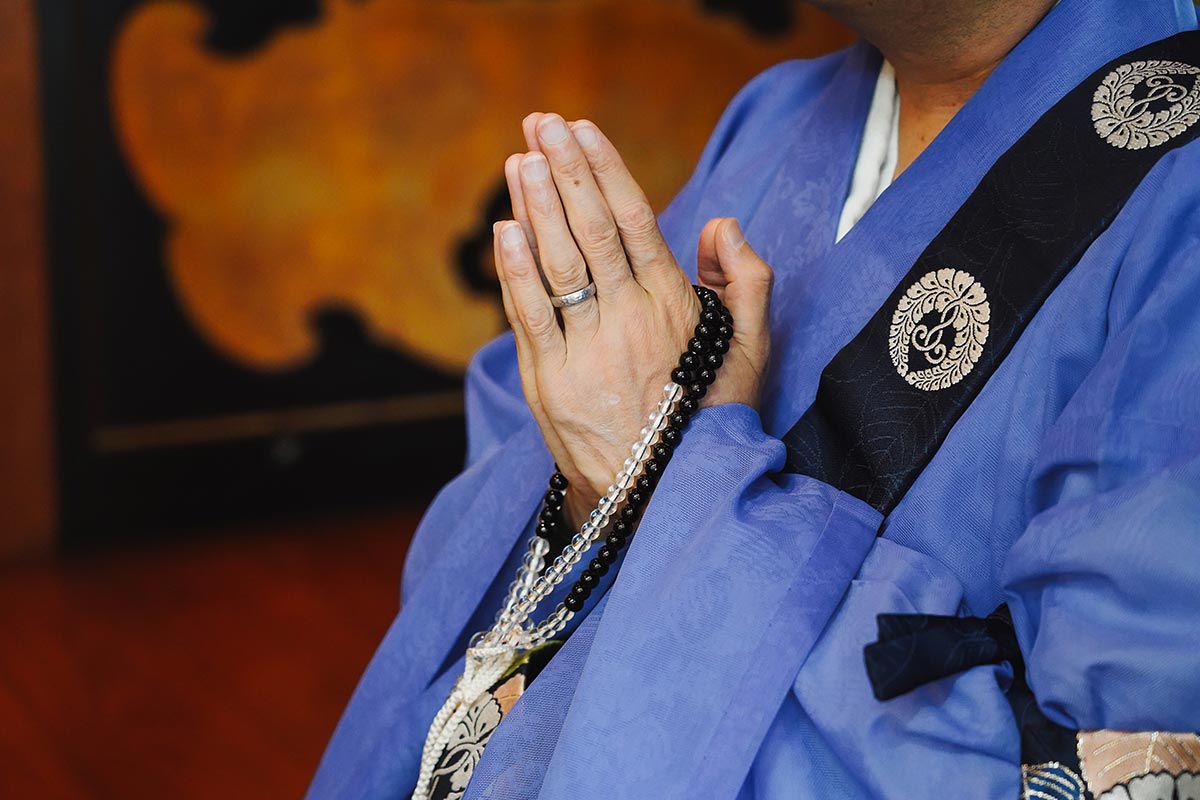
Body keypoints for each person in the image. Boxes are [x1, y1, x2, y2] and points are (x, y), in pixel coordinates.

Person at [310, 0, 1200, 797]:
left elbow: (1104, 749)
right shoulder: (779, 120)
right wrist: (606, 468)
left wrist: (667, 479)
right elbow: (525, 445)